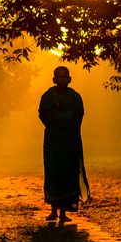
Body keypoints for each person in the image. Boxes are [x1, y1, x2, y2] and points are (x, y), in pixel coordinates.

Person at [38, 66, 90, 222]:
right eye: (59, 77)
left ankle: (63, 213)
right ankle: (53, 211)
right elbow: (43, 115)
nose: (61, 79)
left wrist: (61, 118)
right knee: (53, 174)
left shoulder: (75, 97)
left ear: (69, 79)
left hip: (70, 140)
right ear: (54, 79)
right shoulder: (47, 97)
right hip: (53, 141)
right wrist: (60, 119)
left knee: (69, 175)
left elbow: (78, 115)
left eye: (64, 77)